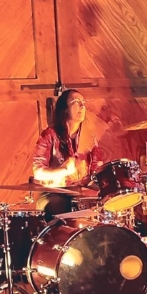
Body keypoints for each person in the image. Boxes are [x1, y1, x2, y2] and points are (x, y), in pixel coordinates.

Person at [32, 89, 104, 218]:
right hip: (53, 192)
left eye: (83, 102)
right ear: (65, 109)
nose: (81, 106)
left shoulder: (89, 138)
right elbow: (38, 172)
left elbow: (96, 170)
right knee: (61, 206)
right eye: (75, 102)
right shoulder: (50, 135)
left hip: (81, 192)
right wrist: (63, 171)